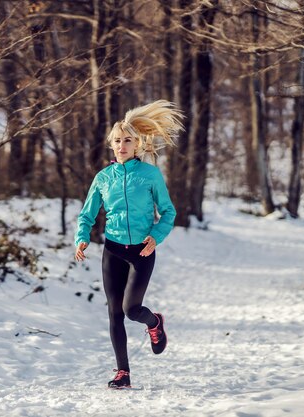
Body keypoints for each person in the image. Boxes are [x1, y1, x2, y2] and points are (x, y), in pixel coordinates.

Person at [74, 100, 183, 389]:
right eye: (117, 141)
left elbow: (169, 212)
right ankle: (123, 373)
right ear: (112, 145)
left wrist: (156, 237)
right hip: (113, 250)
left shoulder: (149, 175)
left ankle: (154, 323)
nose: (122, 146)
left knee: (131, 309)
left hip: (142, 251)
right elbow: (87, 213)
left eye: (127, 141)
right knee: (114, 312)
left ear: (137, 144)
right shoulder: (103, 178)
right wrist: (82, 237)